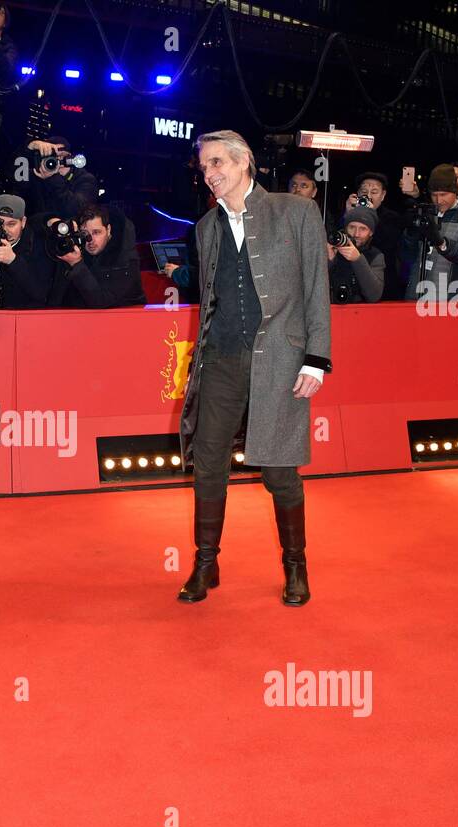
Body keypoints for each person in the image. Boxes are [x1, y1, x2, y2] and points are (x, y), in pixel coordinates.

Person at [177, 130, 331, 606]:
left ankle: (295, 566)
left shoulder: (297, 212)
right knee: (207, 467)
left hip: (280, 362)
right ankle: (206, 564)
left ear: (246, 164)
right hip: (221, 360)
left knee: (280, 474)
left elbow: (315, 289)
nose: (211, 173)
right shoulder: (204, 228)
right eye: (205, 167)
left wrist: (316, 359)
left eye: (218, 163)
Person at [400, 163, 458, 300]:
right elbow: (406, 255)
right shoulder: (426, 213)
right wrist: (411, 232)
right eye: (434, 195)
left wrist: (441, 242)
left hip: (449, 297)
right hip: (415, 293)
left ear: (455, 191)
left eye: (444, 194)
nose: (439, 200)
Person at [47, 204, 146, 308]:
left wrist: (77, 265)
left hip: (126, 319)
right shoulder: (77, 251)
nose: (90, 240)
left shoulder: (124, 258)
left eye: (96, 232)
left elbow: (102, 301)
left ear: (108, 229)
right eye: (84, 233)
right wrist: (50, 222)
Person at [349, 171, 404, 298]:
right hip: (352, 282)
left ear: (383, 195)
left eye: (374, 192)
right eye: (364, 192)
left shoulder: (392, 218)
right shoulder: (350, 214)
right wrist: (348, 215)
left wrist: (370, 215)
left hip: (384, 284)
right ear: (357, 194)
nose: (368, 196)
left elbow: (387, 245)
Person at [20, 136, 98, 222]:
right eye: (53, 157)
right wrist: (30, 146)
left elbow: (77, 210)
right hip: (37, 230)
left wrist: (53, 178)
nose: (57, 161)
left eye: (62, 156)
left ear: (69, 157)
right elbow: (11, 175)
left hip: (68, 231)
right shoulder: (37, 174)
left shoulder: (84, 179)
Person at [326, 205, 385, 304]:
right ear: (345, 228)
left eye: (363, 229)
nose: (356, 234)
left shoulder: (375, 255)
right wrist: (329, 261)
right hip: (329, 312)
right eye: (352, 227)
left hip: (359, 314)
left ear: (371, 232)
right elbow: (310, 289)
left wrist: (357, 260)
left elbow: (374, 295)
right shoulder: (332, 248)